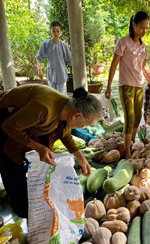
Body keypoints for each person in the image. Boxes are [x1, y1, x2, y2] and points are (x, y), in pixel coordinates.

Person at [0, 84, 102, 218]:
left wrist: (80, 157)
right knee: (12, 163)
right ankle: (22, 208)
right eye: (85, 124)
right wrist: (38, 147)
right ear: (77, 116)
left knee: (40, 160)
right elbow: (8, 126)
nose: (83, 127)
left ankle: (33, 192)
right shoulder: (44, 108)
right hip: (5, 120)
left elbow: (65, 134)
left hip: (25, 123)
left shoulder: (67, 109)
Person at [105, 11, 150, 158]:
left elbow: (144, 67)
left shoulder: (143, 47)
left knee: (137, 116)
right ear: (133, 25)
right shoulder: (123, 42)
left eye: (147, 28)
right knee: (129, 117)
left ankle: (131, 142)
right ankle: (127, 151)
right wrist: (108, 86)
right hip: (126, 86)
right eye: (142, 27)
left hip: (139, 86)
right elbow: (114, 65)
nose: (144, 31)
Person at [35, 21, 72, 95]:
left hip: (61, 74)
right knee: (52, 96)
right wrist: (39, 69)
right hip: (51, 74)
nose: (56, 33)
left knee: (61, 96)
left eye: (58, 31)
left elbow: (70, 60)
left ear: (60, 32)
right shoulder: (46, 44)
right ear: (50, 32)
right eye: (53, 31)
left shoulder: (64, 45)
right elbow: (39, 57)